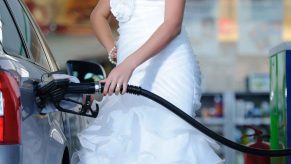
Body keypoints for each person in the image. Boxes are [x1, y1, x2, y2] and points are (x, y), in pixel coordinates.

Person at [77, 0, 224, 163]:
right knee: (124, 134)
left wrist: (128, 64)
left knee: (169, 138)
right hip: (127, 67)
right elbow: (97, 15)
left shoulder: (134, 64)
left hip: (168, 66)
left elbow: (173, 25)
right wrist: (113, 50)